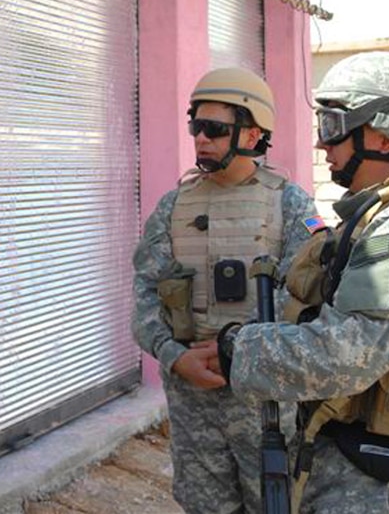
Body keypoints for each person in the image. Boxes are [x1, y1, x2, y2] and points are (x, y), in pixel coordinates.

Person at [217, 52, 389, 513]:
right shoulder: (385, 215)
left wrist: (238, 348)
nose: (323, 145)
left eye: (333, 125)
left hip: (379, 487)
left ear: (387, 134)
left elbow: (345, 355)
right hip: (360, 469)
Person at [131, 67, 319, 513]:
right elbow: (144, 295)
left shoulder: (290, 206)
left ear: (254, 135)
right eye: (196, 126)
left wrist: (244, 352)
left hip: (265, 403)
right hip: (194, 401)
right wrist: (176, 357)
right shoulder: (174, 206)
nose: (200, 139)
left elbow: (311, 305)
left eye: (215, 129)